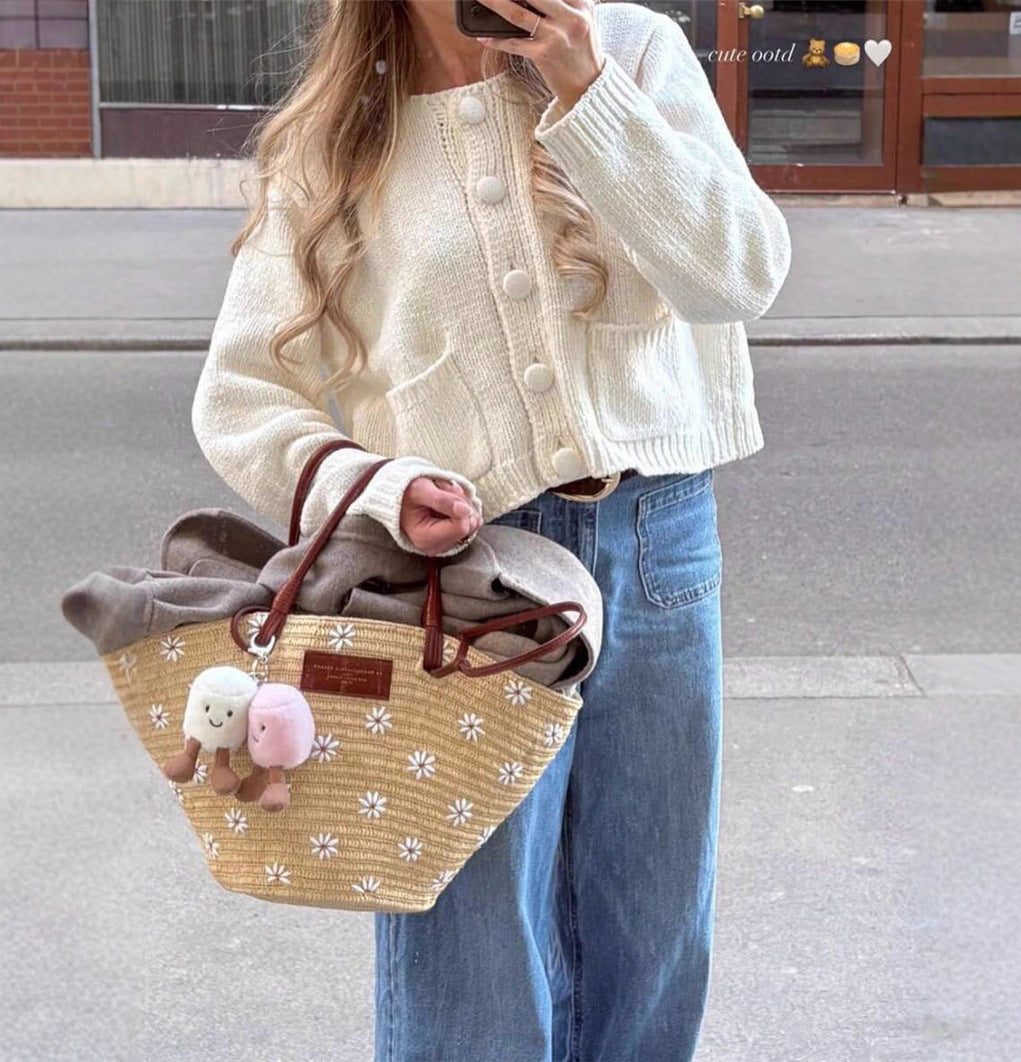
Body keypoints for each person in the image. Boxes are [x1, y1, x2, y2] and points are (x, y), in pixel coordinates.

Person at [190, 0, 792, 1058]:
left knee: (651, 913)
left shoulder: (633, 52)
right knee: (467, 940)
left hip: (656, 541)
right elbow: (238, 395)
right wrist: (374, 486)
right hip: (463, 574)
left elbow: (738, 277)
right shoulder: (339, 133)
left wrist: (588, 90)